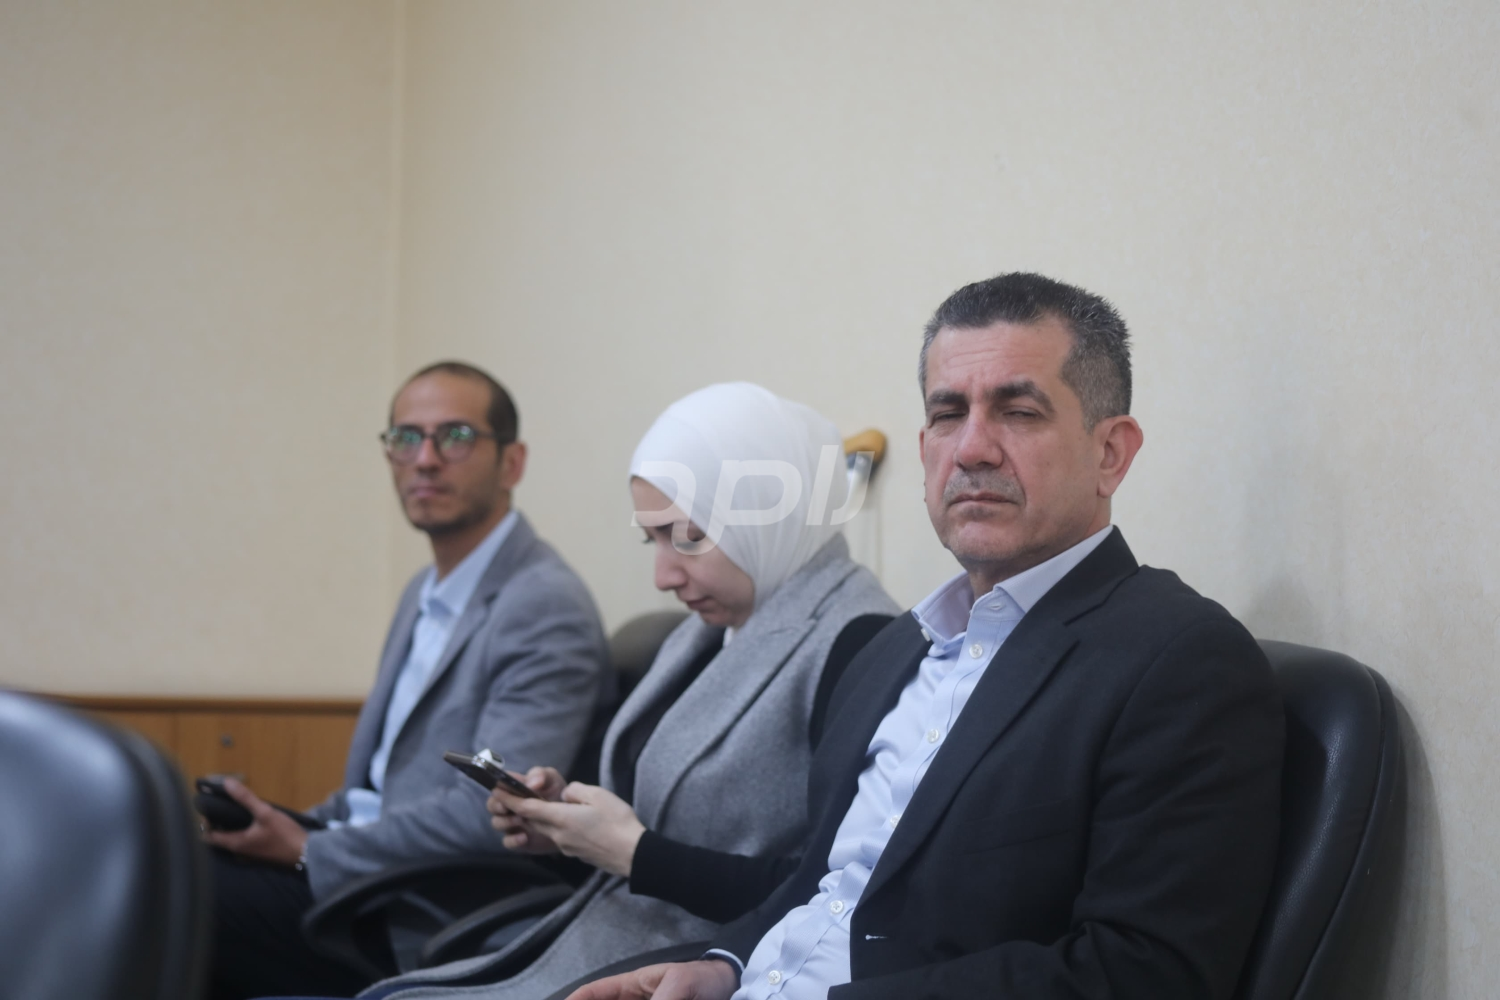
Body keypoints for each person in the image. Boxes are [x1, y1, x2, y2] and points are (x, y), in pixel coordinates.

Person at [567, 273, 1287, 1000]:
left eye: (1019, 411)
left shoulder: (1179, 662)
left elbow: (1143, 973)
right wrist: (720, 967)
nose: (972, 449)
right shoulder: (891, 652)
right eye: (948, 415)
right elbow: (822, 885)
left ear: (1111, 454)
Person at [334, 382, 899, 1000]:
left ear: (764, 515)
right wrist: (567, 829)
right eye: (652, 539)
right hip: (612, 939)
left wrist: (634, 853)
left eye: (688, 537)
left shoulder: (857, 643)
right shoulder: (717, 628)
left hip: (697, 972)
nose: (663, 576)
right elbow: (667, 825)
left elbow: (831, 893)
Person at [207, 361, 611, 1000]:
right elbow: (375, 791)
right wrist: (280, 825)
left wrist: (311, 850)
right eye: (405, 438)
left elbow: (495, 810)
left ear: (512, 463)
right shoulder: (424, 591)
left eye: (455, 437)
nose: (425, 459)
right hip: (363, 876)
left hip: (419, 913)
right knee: (176, 857)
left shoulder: (542, 603)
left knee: (168, 895)